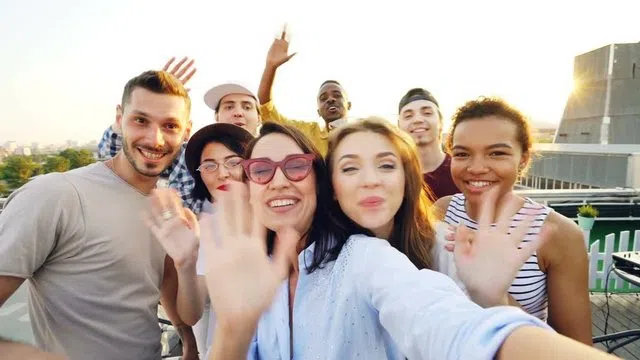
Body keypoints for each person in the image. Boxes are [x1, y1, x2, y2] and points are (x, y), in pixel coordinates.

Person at [146, 122, 613, 359]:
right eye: (261, 170)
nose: (279, 181)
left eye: (295, 166)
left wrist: (494, 303)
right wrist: (232, 328)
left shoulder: (366, 259)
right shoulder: (246, 269)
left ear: (319, 180)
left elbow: (449, 325)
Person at [0, 70, 196, 360]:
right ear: (119, 119)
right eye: (140, 120)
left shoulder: (164, 205)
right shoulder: (56, 194)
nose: (155, 139)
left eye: (169, 125)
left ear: (186, 132)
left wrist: (187, 339)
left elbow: (162, 278)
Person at [435, 96, 592, 345]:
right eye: (462, 153)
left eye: (497, 153)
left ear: (523, 159)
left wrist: (496, 296)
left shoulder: (557, 234)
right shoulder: (442, 212)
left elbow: (574, 348)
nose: (476, 168)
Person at [144, 123, 254, 359]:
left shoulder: (278, 218)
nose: (222, 173)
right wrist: (185, 264)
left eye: (233, 162)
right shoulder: (207, 228)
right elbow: (191, 313)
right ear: (199, 175)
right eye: (209, 165)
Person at [98, 57, 262, 214]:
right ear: (217, 116)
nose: (238, 113)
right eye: (229, 107)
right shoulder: (190, 154)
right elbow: (113, 154)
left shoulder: (273, 158)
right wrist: (155, 99)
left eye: (247, 107)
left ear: (259, 117)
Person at [257, 27, 351, 155]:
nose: (330, 99)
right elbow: (267, 112)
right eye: (323, 98)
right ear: (318, 111)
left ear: (349, 105)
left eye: (337, 95)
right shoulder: (308, 133)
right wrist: (270, 67)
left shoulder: (366, 132)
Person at [397, 88, 459, 201]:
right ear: (399, 127)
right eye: (408, 116)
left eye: (427, 113)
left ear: (441, 122)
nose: (418, 120)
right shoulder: (393, 177)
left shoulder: (460, 171)